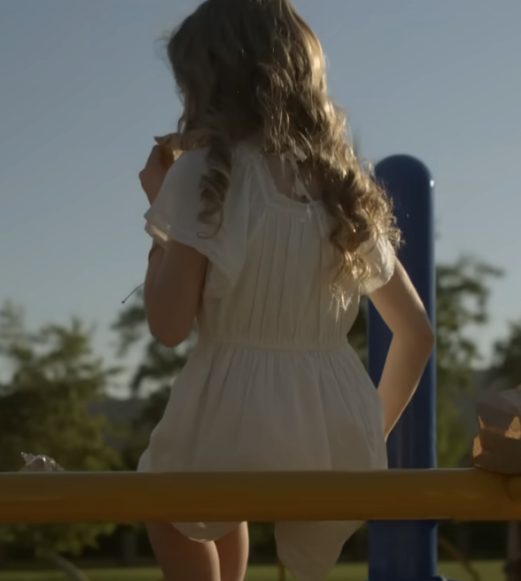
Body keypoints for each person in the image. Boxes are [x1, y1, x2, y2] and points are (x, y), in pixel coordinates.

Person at [135, 1, 435, 580]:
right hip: (336, 434)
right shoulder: (343, 188)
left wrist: (161, 216)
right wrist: (367, 432)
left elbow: (168, 325)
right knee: (230, 491)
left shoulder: (201, 177)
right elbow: (416, 334)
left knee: (166, 501)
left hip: (230, 413)